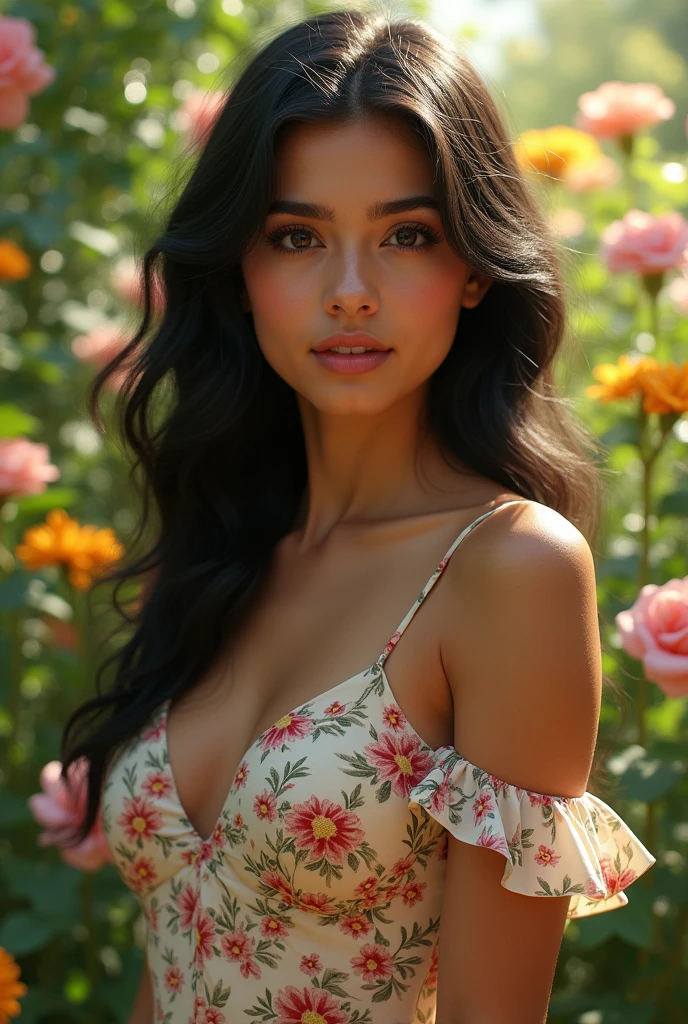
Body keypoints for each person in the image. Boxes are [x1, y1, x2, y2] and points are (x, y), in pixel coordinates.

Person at [60, 10, 656, 1024]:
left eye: (405, 236)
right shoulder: (227, 547)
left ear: (472, 267)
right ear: (239, 273)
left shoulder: (508, 570)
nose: (347, 292)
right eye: (296, 236)